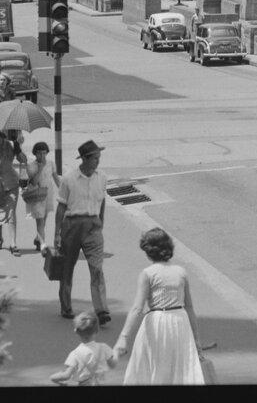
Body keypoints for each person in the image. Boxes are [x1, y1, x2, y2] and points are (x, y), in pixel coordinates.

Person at [113, 227, 206, 385]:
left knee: (154, 367)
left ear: (148, 251)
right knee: (180, 367)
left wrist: (123, 337)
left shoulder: (148, 273)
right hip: (180, 322)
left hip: (157, 322)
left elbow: (137, 308)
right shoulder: (181, 272)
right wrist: (196, 339)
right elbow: (189, 307)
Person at [54, 139, 110, 324]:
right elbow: (61, 208)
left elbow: (102, 201)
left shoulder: (102, 177)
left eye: (99, 158)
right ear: (85, 159)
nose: (98, 162)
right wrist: (57, 233)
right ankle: (66, 306)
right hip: (72, 226)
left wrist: (100, 222)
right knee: (67, 269)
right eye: (95, 158)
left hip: (93, 227)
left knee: (97, 268)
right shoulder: (69, 179)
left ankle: (101, 309)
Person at [49, 310, 117, 387]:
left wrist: (53, 378)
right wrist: (117, 352)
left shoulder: (75, 354)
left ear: (76, 331)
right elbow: (113, 364)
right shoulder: (104, 348)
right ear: (97, 330)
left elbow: (66, 375)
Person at [22, 140, 58, 252]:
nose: (42, 155)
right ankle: (43, 245)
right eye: (39, 153)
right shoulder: (32, 166)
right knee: (40, 221)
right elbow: (33, 182)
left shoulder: (51, 163)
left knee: (44, 220)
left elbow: (56, 178)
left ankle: (38, 239)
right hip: (37, 196)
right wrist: (41, 168)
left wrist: (64, 190)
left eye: (44, 153)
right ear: (35, 153)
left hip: (48, 194)